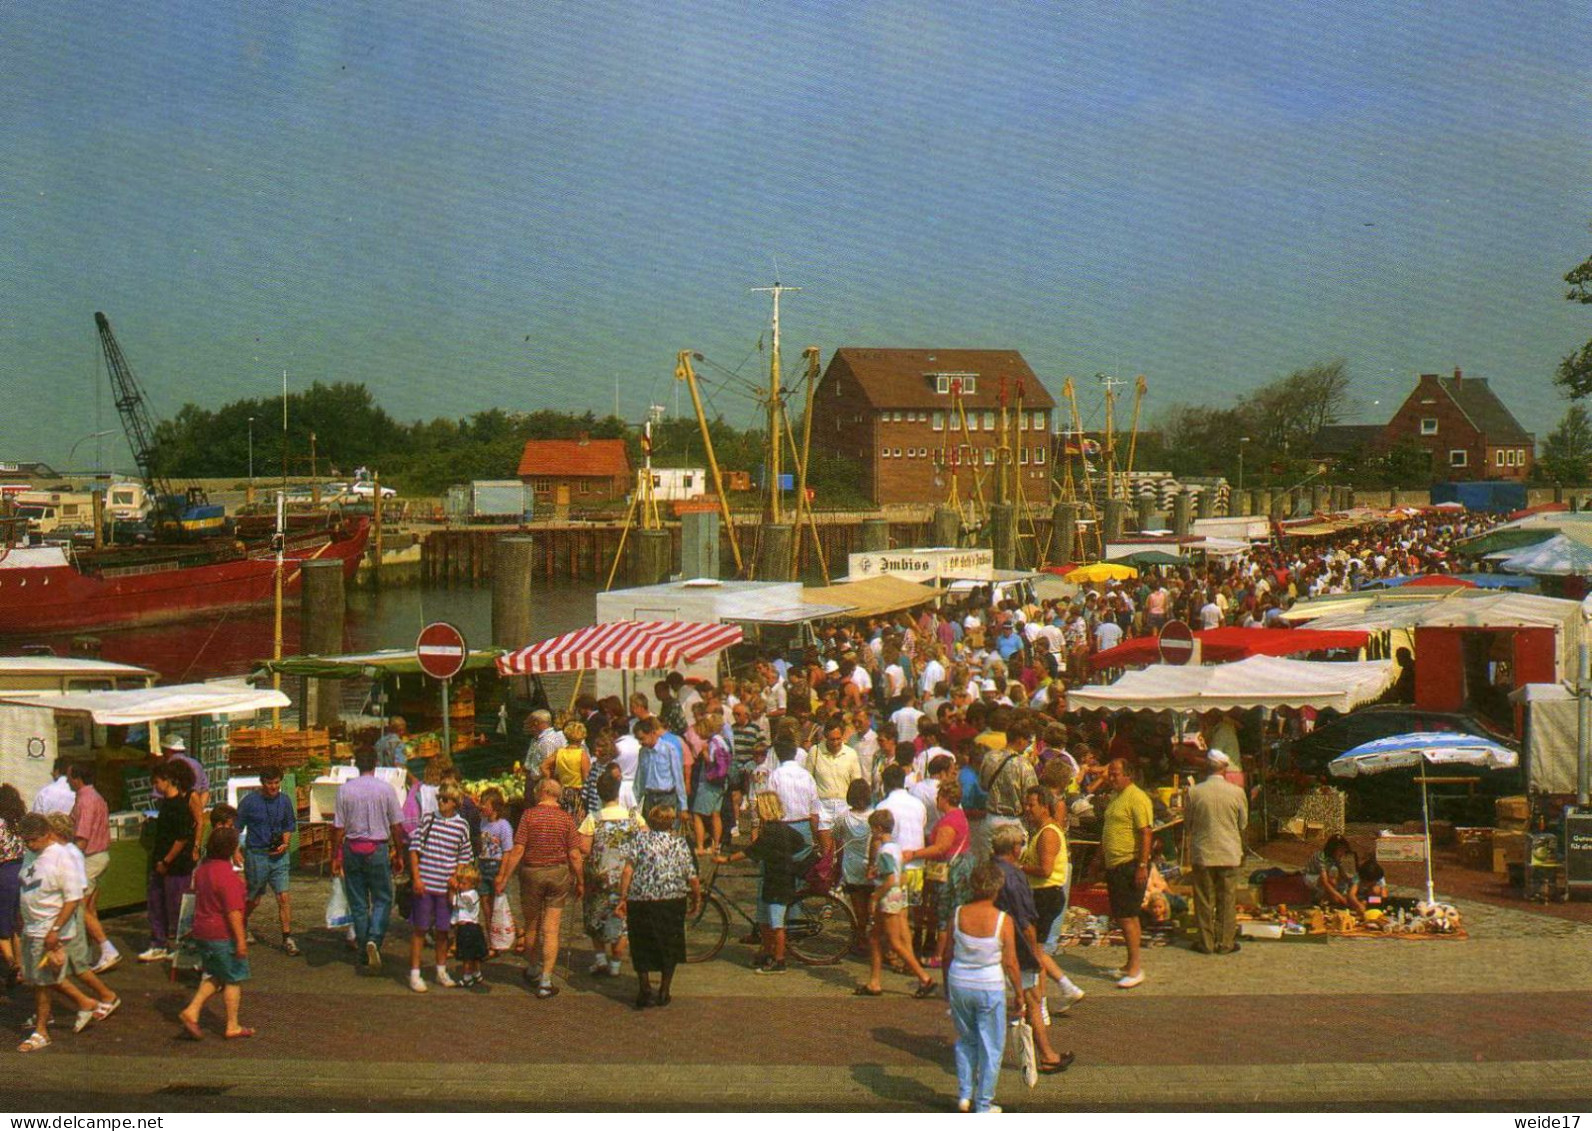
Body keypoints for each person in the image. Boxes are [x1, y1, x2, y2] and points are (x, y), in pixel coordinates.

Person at [14, 813, 120, 1053]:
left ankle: (41, 1031)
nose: (29, 845)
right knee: (35, 978)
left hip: (49, 929)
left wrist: (55, 930)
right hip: (31, 927)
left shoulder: (62, 857)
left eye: (33, 840)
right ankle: (85, 1002)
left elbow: (73, 899)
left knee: (43, 981)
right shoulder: (31, 853)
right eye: (26, 841)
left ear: (47, 834)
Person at [990, 823, 1075, 1074]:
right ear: (1015, 848)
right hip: (1016, 944)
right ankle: (1047, 1056)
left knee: (1026, 999)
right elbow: (1025, 920)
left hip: (990, 941)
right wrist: (1034, 951)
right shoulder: (1014, 876)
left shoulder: (987, 869)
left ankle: (1046, 1054)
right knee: (1032, 998)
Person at [944, 861, 1025, 1113]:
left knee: (966, 1040)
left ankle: (964, 1095)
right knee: (991, 1046)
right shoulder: (1003, 920)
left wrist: (946, 987)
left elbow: (947, 955)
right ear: (997, 888)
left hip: (959, 982)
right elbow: (1011, 963)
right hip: (989, 985)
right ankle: (983, 1103)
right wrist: (1020, 994)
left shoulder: (957, 914)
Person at [497, 778, 584, 998]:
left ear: (543, 792)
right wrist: (581, 880)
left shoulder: (529, 816)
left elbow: (518, 849)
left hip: (532, 873)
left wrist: (505, 875)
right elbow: (574, 854)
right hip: (558, 873)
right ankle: (546, 981)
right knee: (552, 929)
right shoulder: (566, 819)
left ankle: (533, 967)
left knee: (532, 925)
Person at [330, 747, 408, 972]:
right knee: (383, 897)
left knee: (358, 902)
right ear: (375, 763)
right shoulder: (386, 789)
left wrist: (335, 855)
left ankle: (364, 948)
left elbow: (338, 828)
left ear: (356, 763)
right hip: (377, 848)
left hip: (352, 848)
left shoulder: (345, 790)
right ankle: (374, 938)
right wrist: (399, 853)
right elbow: (396, 826)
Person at [617, 803, 701, 1009]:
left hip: (641, 898)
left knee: (641, 942)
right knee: (669, 944)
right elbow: (691, 875)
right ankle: (664, 989)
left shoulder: (639, 839)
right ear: (671, 821)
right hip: (672, 899)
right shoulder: (679, 842)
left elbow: (628, 870)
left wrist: (623, 896)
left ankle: (644, 985)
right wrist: (696, 897)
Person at [177, 827, 253, 1040]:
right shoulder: (227, 876)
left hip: (202, 930)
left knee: (216, 975)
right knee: (233, 978)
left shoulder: (202, 870)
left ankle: (192, 1011)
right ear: (231, 848)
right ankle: (232, 1025)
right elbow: (234, 913)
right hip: (222, 933)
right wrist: (241, 942)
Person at [855, 809, 937, 998]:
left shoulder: (884, 851)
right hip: (897, 896)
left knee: (894, 942)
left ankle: (925, 978)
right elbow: (900, 876)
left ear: (877, 828)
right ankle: (874, 982)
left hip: (888, 897)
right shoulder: (896, 847)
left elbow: (890, 880)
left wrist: (875, 897)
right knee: (875, 939)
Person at [407, 783, 474, 992]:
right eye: (439, 798)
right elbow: (414, 849)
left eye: (445, 799)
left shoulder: (462, 826)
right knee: (420, 929)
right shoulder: (429, 819)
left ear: (455, 803)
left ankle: (441, 970)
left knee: (443, 931)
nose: (441, 802)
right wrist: (417, 879)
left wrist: (456, 878)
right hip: (426, 885)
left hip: (446, 888)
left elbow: (465, 858)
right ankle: (415, 973)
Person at [1186, 750, 1248, 955]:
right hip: (1229, 852)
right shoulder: (1237, 792)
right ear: (1224, 768)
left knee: (1204, 899)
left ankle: (1206, 941)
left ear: (1207, 766)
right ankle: (1225, 942)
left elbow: (1188, 824)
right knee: (1227, 899)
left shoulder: (1194, 792)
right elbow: (1243, 824)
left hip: (1203, 852)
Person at [578, 771, 639, 978]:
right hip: (626, 876)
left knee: (596, 916)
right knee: (622, 920)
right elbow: (646, 839)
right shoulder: (633, 817)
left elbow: (584, 849)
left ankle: (600, 959)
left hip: (600, 877)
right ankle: (615, 962)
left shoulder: (593, 818)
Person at [1101, 758, 1154, 988]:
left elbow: (1145, 833)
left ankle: (1135, 969)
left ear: (1128, 775)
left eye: (1115, 774)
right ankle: (1129, 963)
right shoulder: (1116, 797)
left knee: (1128, 916)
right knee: (1123, 916)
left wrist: (1141, 865)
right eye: (1110, 774)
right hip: (1115, 864)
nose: (1111, 778)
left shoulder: (1137, 797)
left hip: (1130, 864)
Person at [237, 766, 300, 957]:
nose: (273, 787)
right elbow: (236, 827)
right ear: (262, 783)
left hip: (279, 857)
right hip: (257, 854)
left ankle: (287, 937)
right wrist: (235, 851)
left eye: (276, 783)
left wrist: (285, 842)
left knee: (283, 896)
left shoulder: (284, 800)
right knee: (254, 898)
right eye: (269, 783)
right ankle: (240, 924)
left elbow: (289, 825)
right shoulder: (249, 801)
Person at [139, 760, 196, 963]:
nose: (155, 787)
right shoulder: (167, 805)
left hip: (175, 866)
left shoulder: (179, 806)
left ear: (168, 781)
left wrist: (166, 860)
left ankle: (182, 947)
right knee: (156, 904)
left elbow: (182, 838)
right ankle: (159, 943)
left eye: (157, 782)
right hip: (162, 864)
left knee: (178, 908)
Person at [65, 765, 118, 973]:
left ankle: (108, 949)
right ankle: (86, 955)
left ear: (77, 778)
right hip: (99, 856)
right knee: (89, 908)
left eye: (69, 777)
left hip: (89, 858)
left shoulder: (86, 800)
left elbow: (82, 837)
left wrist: (69, 860)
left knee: (79, 907)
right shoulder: (94, 796)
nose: (67, 780)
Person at [476, 787, 514, 956]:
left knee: (498, 904)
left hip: (496, 865)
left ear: (495, 807)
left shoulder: (503, 826)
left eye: (485, 804)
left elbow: (507, 851)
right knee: (485, 902)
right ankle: (492, 939)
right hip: (483, 865)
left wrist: (502, 875)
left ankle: (505, 935)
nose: (482, 807)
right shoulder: (482, 822)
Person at [690, 712, 732, 851]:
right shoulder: (723, 740)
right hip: (722, 782)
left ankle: (700, 846)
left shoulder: (712, 743)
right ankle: (716, 845)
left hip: (710, 783)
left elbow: (712, 762)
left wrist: (705, 753)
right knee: (715, 814)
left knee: (697, 814)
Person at [0, 784, 27, 985]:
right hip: (23, 871)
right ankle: (21, 967)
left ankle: (10, 963)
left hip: (4, 874)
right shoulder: (23, 822)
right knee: (18, 923)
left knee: (3, 925)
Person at [541, 720, 591, 818]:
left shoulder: (559, 752)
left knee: (563, 819)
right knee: (577, 822)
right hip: (578, 793)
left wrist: (551, 779)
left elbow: (543, 766)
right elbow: (587, 778)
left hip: (563, 791)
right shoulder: (582, 755)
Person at [450, 862, 488, 987]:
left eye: (464, 883)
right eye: (460, 882)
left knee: (467, 955)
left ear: (473, 884)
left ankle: (467, 977)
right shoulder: (471, 893)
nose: (460, 885)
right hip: (471, 927)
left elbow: (455, 903)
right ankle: (477, 973)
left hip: (468, 928)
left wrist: (451, 889)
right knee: (474, 954)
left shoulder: (468, 895)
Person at [1305, 834, 1363, 911]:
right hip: (1312, 877)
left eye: (1343, 851)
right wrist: (1340, 896)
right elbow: (1324, 881)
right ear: (1332, 849)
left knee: (1334, 880)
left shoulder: (1335, 858)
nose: (1342, 853)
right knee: (1332, 878)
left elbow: (1343, 874)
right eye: (1340, 850)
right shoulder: (1320, 856)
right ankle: (1321, 898)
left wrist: (1352, 881)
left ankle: (1328, 899)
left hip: (1324, 879)